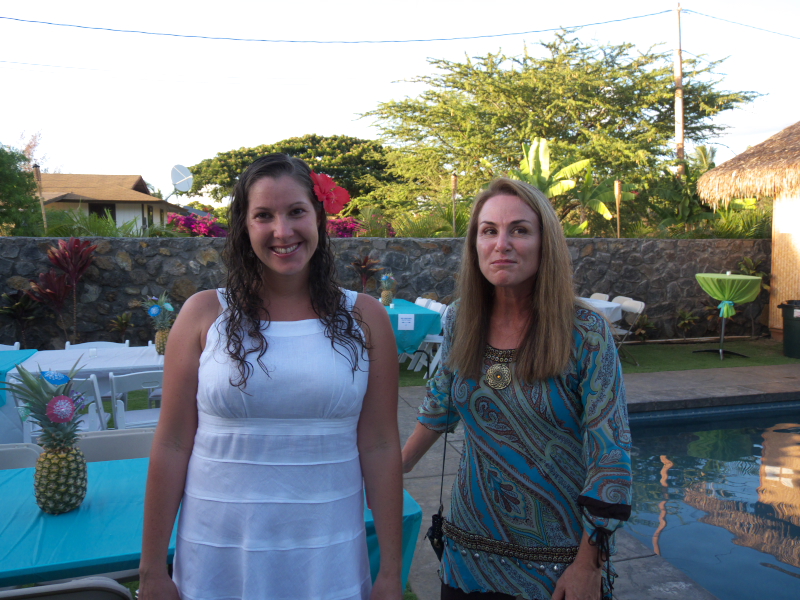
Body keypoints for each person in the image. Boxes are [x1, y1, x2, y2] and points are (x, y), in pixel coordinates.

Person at [139, 154, 404, 600]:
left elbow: (379, 445)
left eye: (296, 211)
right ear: (245, 226)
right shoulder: (203, 314)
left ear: (318, 217)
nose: (282, 231)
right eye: (264, 215)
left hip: (328, 553)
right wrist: (151, 571)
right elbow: (172, 443)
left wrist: (391, 574)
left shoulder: (366, 317)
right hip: (216, 553)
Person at [401, 177, 632, 600]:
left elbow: (610, 457)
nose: (501, 244)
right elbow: (439, 406)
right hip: (467, 555)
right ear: (475, 244)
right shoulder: (460, 320)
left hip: (557, 566)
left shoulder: (586, 333)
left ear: (545, 243)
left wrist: (588, 565)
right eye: (489, 231)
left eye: (519, 230)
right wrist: (393, 467)